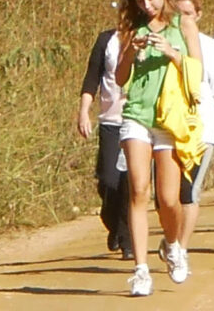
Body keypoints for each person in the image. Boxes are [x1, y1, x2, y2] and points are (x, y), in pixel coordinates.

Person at [115, 0, 202, 296]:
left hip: (170, 117)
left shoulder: (184, 24)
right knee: (139, 190)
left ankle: (173, 243)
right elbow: (120, 77)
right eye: (140, 1)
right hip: (136, 114)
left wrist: (172, 53)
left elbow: (198, 71)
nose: (147, 5)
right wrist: (131, 50)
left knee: (168, 199)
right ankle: (140, 270)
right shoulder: (130, 28)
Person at [167, 0, 214, 269]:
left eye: (188, 13)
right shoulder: (164, 40)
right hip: (169, 127)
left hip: (201, 127)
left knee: (189, 190)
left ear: (198, 15)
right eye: (178, 13)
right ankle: (172, 237)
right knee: (166, 195)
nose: (183, 18)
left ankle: (181, 248)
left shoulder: (209, 46)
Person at [77, 28, 131, 260]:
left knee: (129, 183)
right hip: (110, 121)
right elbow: (92, 78)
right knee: (109, 180)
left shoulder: (150, 37)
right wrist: (84, 112)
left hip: (137, 122)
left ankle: (127, 240)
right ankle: (112, 221)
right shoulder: (106, 40)